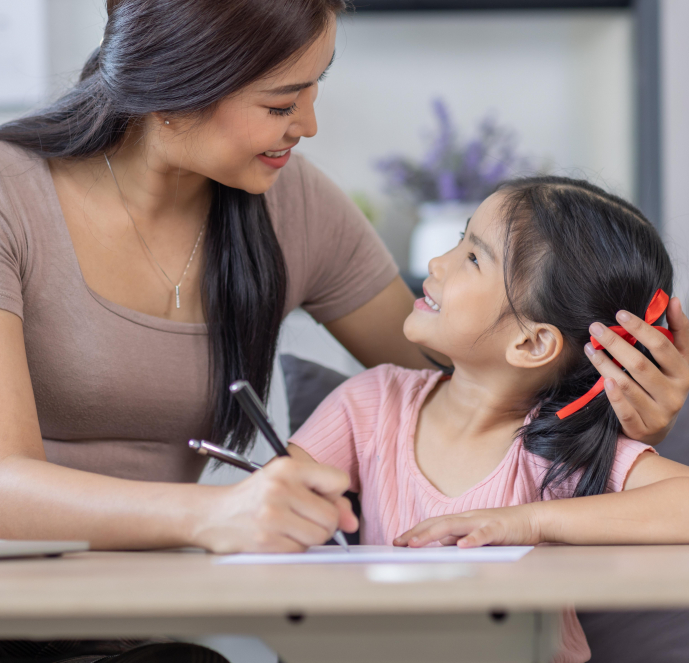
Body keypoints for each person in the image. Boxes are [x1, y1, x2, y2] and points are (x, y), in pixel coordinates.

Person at [0, 0, 689, 663]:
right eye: (281, 102)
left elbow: (467, 377)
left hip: (111, 618)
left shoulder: (291, 205)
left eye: (317, 88)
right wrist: (214, 515)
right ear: (178, 84)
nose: (311, 126)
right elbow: (2, 491)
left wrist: (611, 395)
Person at [289, 176, 689, 663]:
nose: (438, 263)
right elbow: (272, 497)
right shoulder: (370, 404)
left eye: (473, 258)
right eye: (461, 239)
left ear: (531, 343)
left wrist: (530, 522)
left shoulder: (558, 450)